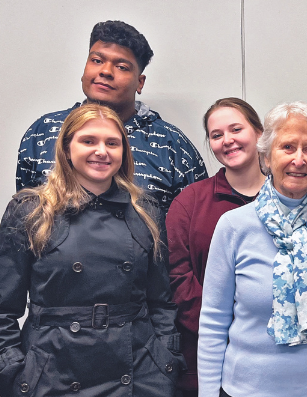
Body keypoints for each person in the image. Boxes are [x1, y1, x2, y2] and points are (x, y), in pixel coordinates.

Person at [0, 104, 184, 396]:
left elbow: (161, 300)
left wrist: (166, 359)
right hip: (52, 372)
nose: (102, 151)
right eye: (89, 141)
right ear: (66, 147)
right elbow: (3, 308)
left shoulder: (146, 210)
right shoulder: (30, 211)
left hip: (139, 373)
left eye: (112, 143)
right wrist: (11, 367)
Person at [198, 102, 307, 397]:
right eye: (287, 147)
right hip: (247, 389)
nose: (299, 159)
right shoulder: (234, 226)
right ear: (266, 156)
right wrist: (208, 393)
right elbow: (214, 320)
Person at [16, 20, 207, 212]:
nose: (105, 71)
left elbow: (195, 224)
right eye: (97, 61)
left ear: (140, 83)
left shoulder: (172, 144)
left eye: (122, 66)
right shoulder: (43, 132)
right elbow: (23, 215)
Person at [166, 97, 266, 396]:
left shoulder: (288, 198)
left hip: (276, 350)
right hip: (208, 353)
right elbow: (176, 275)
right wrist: (224, 325)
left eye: (236, 129)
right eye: (217, 135)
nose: (228, 141)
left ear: (259, 133)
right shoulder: (190, 202)